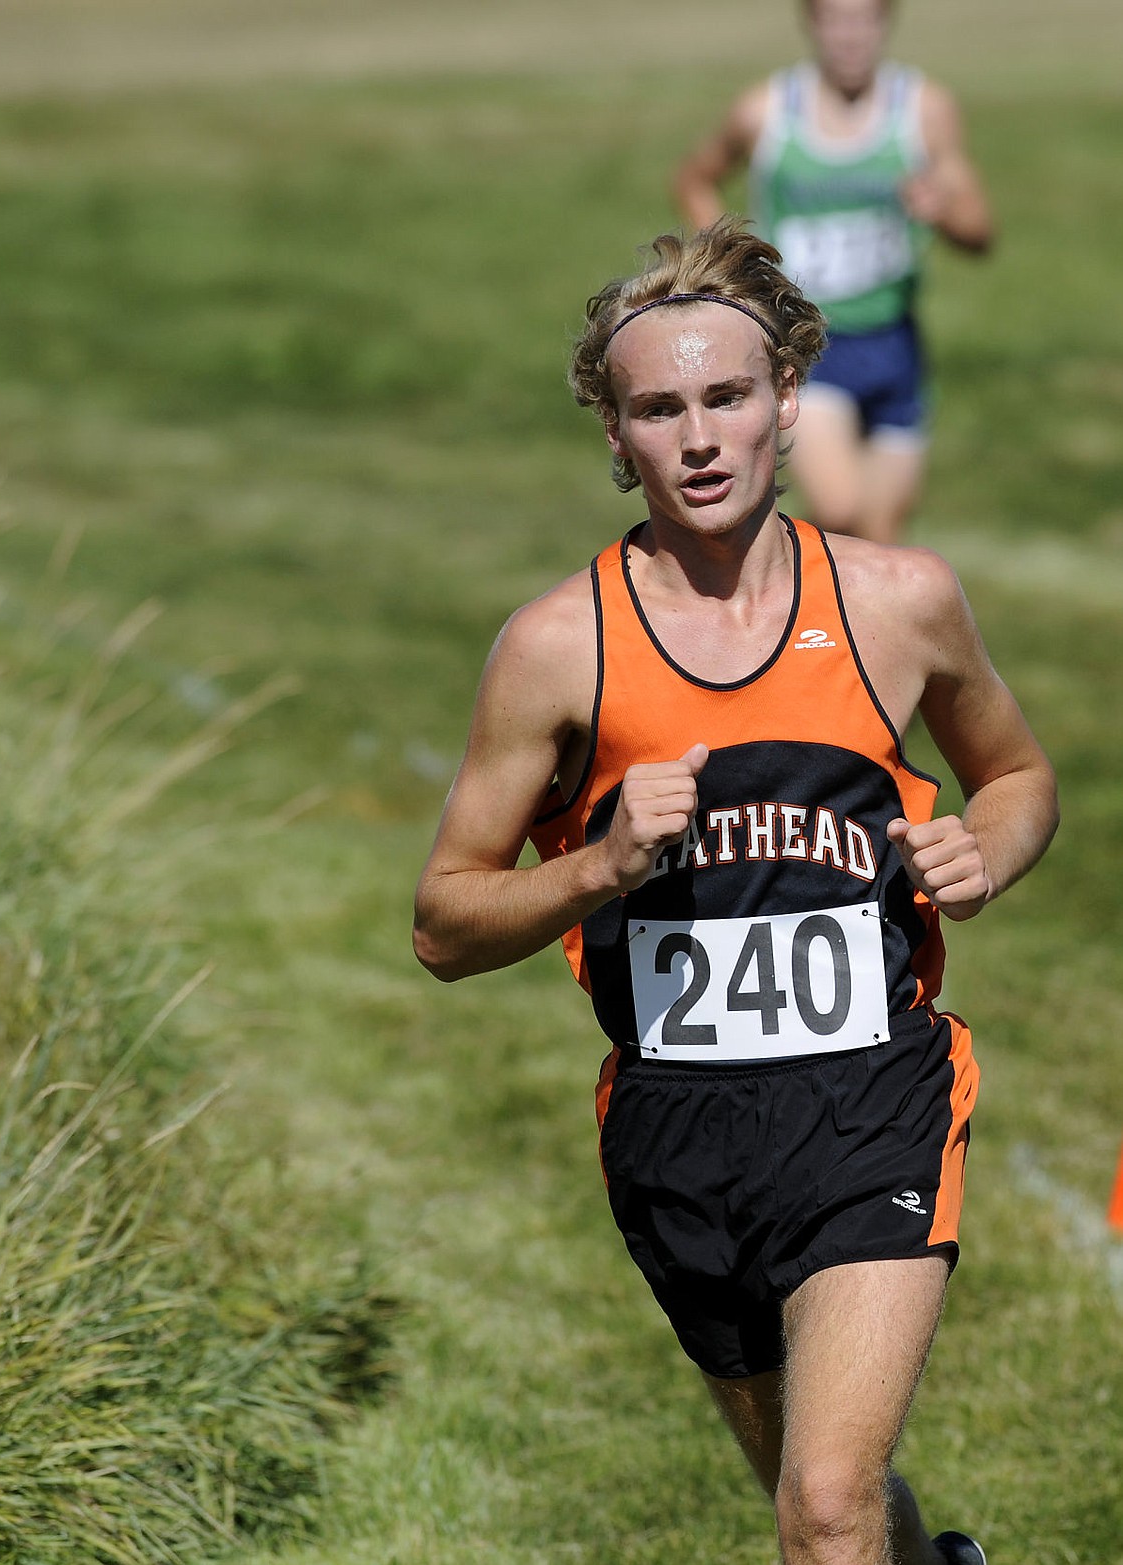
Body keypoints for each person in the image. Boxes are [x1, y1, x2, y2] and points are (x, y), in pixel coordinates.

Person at [413, 218, 1057, 1565]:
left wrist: (983, 851)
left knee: (823, 1503)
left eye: (725, 396)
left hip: (872, 1094)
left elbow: (1014, 777)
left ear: (783, 403)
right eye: (658, 408)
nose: (697, 436)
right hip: (676, 1132)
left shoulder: (896, 602)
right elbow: (443, 920)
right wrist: (594, 868)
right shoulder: (555, 648)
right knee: (826, 1498)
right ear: (614, 437)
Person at [672, 0, 995, 544]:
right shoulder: (767, 111)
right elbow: (695, 178)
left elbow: (980, 233)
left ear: (885, 24)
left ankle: (839, 623)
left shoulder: (923, 109)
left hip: (896, 342)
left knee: (882, 534)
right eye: (837, 21)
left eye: (865, 21)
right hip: (810, 342)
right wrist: (733, 258)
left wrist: (942, 209)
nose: (851, 37)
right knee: (841, 510)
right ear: (813, 25)